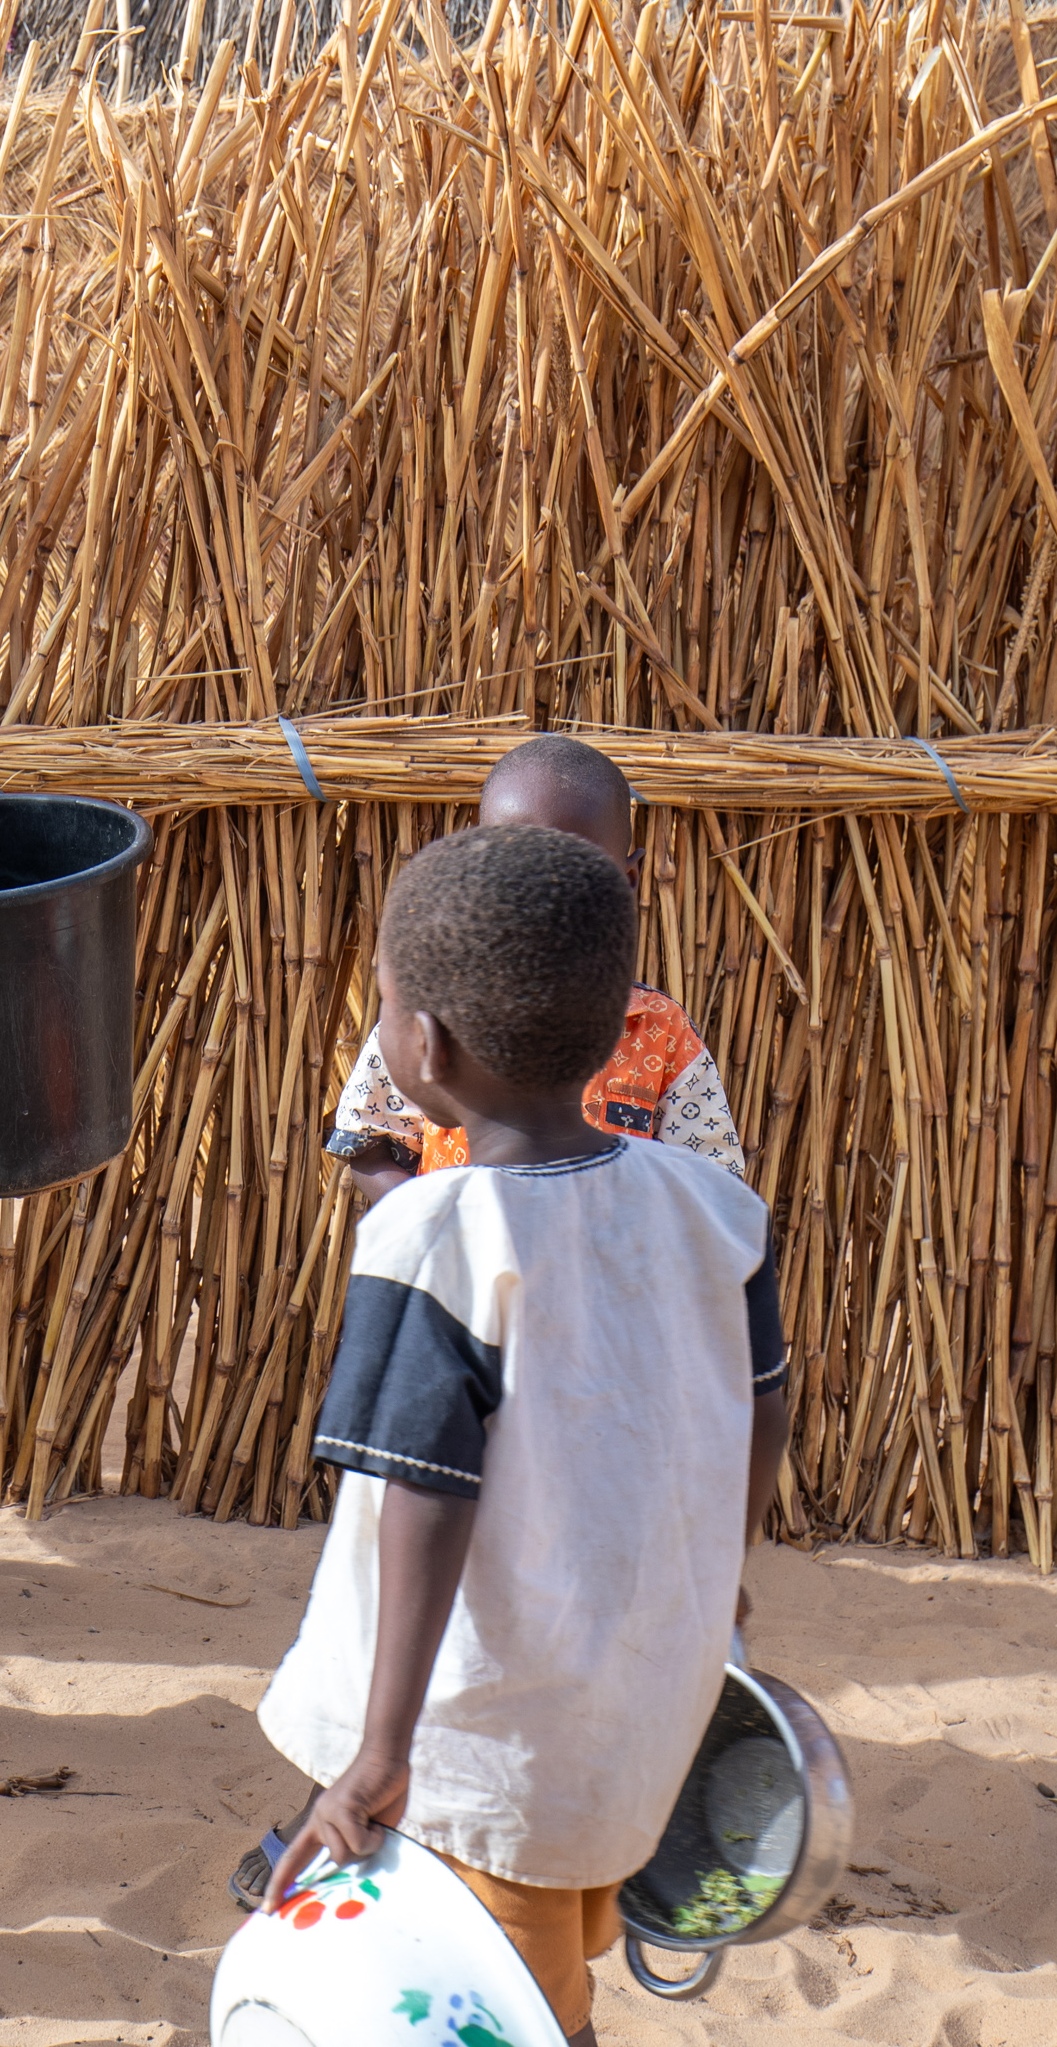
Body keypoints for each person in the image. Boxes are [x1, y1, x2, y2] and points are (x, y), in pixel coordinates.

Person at [256, 823, 790, 2045]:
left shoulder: (432, 1236)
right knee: (546, 1971)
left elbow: (425, 1493)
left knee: (502, 2012)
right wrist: (724, 1582)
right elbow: (762, 1403)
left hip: (473, 1744)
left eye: (386, 1002)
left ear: (419, 1046)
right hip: (637, 1709)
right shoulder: (716, 1212)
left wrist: (380, 1752)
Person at [325, 733, 746, 1206]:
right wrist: (437, 1229)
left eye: (572, 869)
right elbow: (367, 1141)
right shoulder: (434, 1008)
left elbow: (711, 1182)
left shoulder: (659, 1032)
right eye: (512, 862)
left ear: (625, 881)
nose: (538, 893)